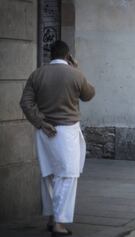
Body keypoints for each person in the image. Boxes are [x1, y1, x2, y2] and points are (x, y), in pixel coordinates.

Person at [20, 40, 95, 236]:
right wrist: (77, 68)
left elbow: (25, 103)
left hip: (44, 131)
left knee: (50, 175)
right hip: (67, 131)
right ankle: (59, 224)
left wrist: (40, 122)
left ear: (50, 55)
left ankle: (52, 217)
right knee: (68, 176)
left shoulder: (37, 74)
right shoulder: (75, 74)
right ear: (67, 55)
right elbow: (89, 94)